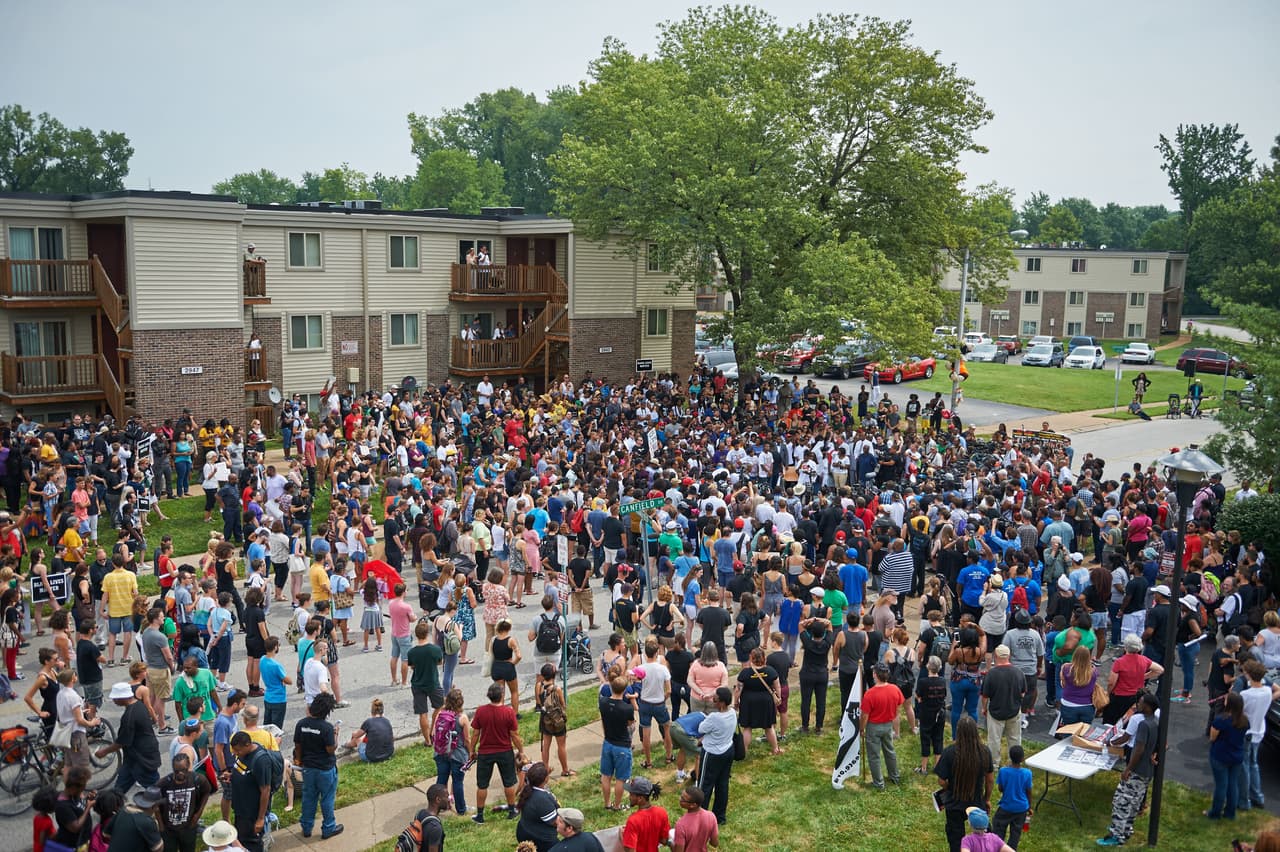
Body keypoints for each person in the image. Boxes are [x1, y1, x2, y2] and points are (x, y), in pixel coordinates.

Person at [1096, 693, 1160, 846]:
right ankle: (1126, 829)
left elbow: (1139, 749)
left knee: (1121, 802)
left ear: (1148, 707)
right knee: (1134, 803)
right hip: (1147, 771)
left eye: (1141, 702)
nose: (1138, 704)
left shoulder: (1143, 724)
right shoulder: (1156, 721)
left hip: (1136, 770)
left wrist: (1128, 769)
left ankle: (1116, 836)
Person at [935, 716, 995, 852]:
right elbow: (990, 780)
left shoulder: (950, 752)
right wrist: (986, 799)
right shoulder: (984, 752)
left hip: (954, 803)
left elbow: (941, 780)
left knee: (956, 841)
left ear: (958, 732)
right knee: (985, 837)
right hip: (976, 801)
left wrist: (949, 788)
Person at [470, 681, 525, 823]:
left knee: (482, 785)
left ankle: (480, 815)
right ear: (502, 695)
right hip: (505, 751)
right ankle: (512, 810)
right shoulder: (508, 712)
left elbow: (475, 734)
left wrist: (471, 750)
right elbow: (514, 735)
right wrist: (521, 750)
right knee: (509, 782)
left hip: (485, 752)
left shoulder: (481, 711)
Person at [294, 693, 343, 840]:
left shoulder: (301, 724)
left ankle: (306, 827)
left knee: (309, 797)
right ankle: (329, 827)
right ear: (327, 711)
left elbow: (298, 745)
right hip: (325, 769)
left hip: (308, 768)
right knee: (327, 798)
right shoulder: (327, 728)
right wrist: (336, 735)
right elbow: (330, 749)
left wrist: (299, 760)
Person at [99, 680, 161, 794]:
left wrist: (104, 751)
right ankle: (114, 801)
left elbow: (122, 742)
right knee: (119, 788)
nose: (114, 701)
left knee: (155, 791)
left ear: (123, 697)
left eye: (116, 698)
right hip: (133, 758)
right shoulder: (139, 705)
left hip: (142, 759)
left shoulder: (129, 716)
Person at [861, 661, 916, 789]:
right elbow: (899, 705)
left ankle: (878, 783)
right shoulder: (895, 689)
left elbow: (864, 715)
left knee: (874, 755)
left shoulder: (870, 694)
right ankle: (894, 776)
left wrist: (861, 728)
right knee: (890, 751)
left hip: (873, 727)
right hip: (888, 725)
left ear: (875, 675)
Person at [1240, 660, 1280, 813]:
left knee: (1244, 767)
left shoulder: (1245, 695)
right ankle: (1257, 796)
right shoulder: (1267, 692)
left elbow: (1238, 712)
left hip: (1247, 732)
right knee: (1254, 764)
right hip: (1259, 731)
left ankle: (1244, 800)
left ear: (1249, 675)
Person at [228, 730, 276, 852]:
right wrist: (231, 776)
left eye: (238, 750)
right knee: (242, 840)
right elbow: (245, 773)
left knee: (251, 844)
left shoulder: (261, 761)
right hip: (241, 809)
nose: (236, 753)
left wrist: (260, 819)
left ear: (247, 745)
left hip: (251, 812)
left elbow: (266, 790)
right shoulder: (244, 754)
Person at [158, 750, 212, 852]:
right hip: (169, 830)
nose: (180, 773)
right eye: (176, 771)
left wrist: (198, 814)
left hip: (188, 828)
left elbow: (206, 792)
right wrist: (161, 825)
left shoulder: (197, 779)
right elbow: (155, 803)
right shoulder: (164, 783)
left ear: (188, 766)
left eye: (183, 770)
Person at [697, 686, 736, 826]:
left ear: (722, 703)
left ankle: (700, 818)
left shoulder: (714, 717)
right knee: (722, 784)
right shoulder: (732, 713)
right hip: (728, 751)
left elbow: (701, 728)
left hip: (712, 754)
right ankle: (720, 817)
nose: (713, 701)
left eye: (715, 699)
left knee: (704, 786)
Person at [1207, 691, 1249, 820]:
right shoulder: (1244, 720)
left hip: (1220, 755)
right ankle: (1230, 813)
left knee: (1221, 786)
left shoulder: (1221, 720)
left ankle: (1215, 813)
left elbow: (1212, 737)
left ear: (1229, 704)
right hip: (1236, 756)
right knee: (1232, 784)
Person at [1103, 633, 1162, 725]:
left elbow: (1111, 682)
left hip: (1119, 696)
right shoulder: (1144, 660)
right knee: (1129, 722)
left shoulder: (1119, 662)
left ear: (1125, 647)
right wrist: (1144, 676)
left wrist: (1108, 693)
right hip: (1136, 697)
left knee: (1110, 721)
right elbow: (1160, 670)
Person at [599, 672, 637, 812]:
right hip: (622, 746)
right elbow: (631, 724)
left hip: (608, 743)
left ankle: (607, 803)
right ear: (624, 690)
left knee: (606, 776)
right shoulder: (627, 708)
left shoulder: (603, 702)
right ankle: (617, 805)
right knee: (621, 778)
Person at [408, 620, 445, 743]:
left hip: (417, 684)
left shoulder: (411, 652)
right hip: (433, 682)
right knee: (440, 705)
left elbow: (412, 666)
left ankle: (427, 741)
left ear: (416, 635)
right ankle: (433, 729)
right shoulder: (435, 649)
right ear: (427, 634)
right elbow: (440, 662)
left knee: (422, 713)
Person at [992, 745, 1032, 849]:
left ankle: (998, 848)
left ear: (1010, 757)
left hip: (1006, 807)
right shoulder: (1027, 773)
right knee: (1016, 833)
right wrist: (1029, 807)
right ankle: (1011, 849)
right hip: (1022, 808)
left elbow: (1000, 789)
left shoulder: (1003, 771)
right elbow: (1028, 792)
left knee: (998, 827)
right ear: (1022, 758)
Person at [535, 663, 572, 776]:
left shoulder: (539, 686)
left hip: (545, 719)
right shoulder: (557, 689)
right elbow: (563, 705)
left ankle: (545, 770)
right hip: (557, 720)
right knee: (561, 745)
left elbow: (538, 702)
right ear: (554, 675)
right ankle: (565, 770)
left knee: (546, 745)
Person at [516, 762, 561, 852]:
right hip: (541, 840)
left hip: (523, 832)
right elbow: (555, 822)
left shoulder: (527, 790)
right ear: (546, 779)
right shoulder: (542, 799)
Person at [106, 786, 165, 852]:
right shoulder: (147, 821)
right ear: (154, 806)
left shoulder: (122, 810)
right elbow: (159, 849)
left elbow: (106, 834)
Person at [621, 776, 670, 852]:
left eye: (631, 794)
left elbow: (630, 850)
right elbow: (664, 841)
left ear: (640, 798)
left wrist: (624, 835)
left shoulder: (633, 821)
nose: (629, 797)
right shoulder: (662, 812)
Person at [1058, 645, 1099, 727]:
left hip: (1068, 704)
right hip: (1087, 706)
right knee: (1084, 731)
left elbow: (1063, 684)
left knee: (1069, 730)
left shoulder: (1066, 668)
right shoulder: (1094, 671)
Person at [344, 698, 393, 762]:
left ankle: (347, 745)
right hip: (388, 754)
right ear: (382, 711)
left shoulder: (368, 722)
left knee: (357, 739)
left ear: (372, 711)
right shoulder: (387, 721)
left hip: (371, 757)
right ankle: (349, 745)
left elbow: (356, 736)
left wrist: (353, 734)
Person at [672, 786, 719, 852]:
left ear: (693, 805)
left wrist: (670, 843)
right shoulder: (711, 816)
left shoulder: (681, 825)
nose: (680, 799)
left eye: (683, 799)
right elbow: (714, 843)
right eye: (681, 796)